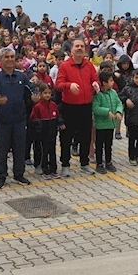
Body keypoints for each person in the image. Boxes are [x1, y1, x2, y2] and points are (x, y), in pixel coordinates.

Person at [0, 47, 39, 189]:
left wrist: (35, 97)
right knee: (2, 149)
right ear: (1, 60)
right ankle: (1, 175)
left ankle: (19, 174)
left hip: (20, 119)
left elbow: (32, 89)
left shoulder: (21, 76)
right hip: (2, 120)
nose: (9, 59)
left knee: (19, 148)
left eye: (11, 57)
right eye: (6, 57)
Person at [55, 38, 99, 177]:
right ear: (71, 50)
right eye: (77, 46)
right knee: (66, 138)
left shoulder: (89, 65)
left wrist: (96, 84)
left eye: (82, 46)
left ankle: (84, 163)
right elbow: (58, 85)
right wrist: (69, 85)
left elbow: (94, 79)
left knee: (86, 136)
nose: (80, 48)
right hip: (69, 107)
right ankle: (65, 165)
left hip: (86, 106)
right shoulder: (65, 66)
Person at [29, 82, 62, 179]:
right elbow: (33, 119)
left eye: (49, 93)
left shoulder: (53, 105)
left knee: (52, 152)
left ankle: (53, 170)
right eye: (45, 93)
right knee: (44, 152)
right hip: (42, 134)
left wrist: (60, 123)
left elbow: (58, 115)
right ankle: (45, 170)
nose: (47, 95)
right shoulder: (37, 106)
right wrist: (39, 128)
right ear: (40, 94)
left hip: (52, 133)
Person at [92, 71, 123, 174]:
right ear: (104, 83)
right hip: (101, 125)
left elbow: (119, 103)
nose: (113, 82)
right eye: (110, 81)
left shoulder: (113, 93)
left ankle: (109, 162)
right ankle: (99, 163)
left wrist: (118, 111)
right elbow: (95, 108)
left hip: (110, 124)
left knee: (109, 144)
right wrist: (107, 112)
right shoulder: (98, 95)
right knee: (99, 145)